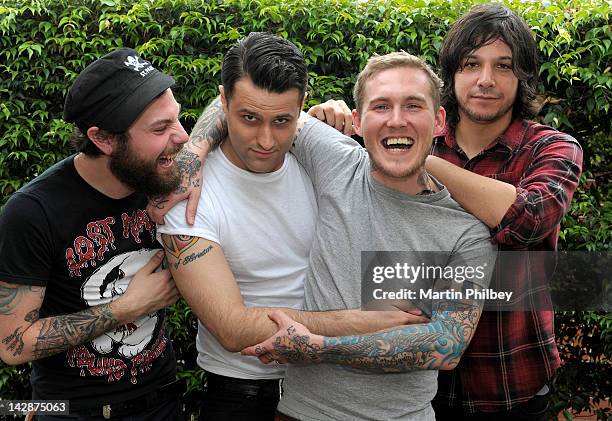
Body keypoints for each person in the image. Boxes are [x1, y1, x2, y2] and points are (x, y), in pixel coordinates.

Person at [156, 33, 426, 421]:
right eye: (248, 118)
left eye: (281, 121)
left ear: (300, 109)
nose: (266, 140)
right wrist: (364, 322)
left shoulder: (317, 156)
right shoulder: (187, 195)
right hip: (245, 395)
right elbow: (231, 328)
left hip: (333, 388)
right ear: (224, 101)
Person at [235, 51, 498, 420]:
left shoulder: (467, 233)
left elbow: (447, 344)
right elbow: (236, 101)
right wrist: (193, 156)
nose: (396, 120)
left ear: (439, 120)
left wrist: (320, 346)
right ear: (357, 121)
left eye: (412, 106)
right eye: (380, 106)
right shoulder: (336, 160)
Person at [0, 48, 189, 420]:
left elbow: (230, 107)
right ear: (103, 139)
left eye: (177, 119)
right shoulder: (33, 213)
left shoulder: (160, 176)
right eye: (160, 128)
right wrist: (126, 308)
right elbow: (12, 344)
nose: (181, 136)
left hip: (163, 404)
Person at [422, 4, 583, 420]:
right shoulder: (421, 140)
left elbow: (527, 221)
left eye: (504, 66)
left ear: (523, 76)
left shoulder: (552, 148)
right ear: (452, 73)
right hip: (415, 386)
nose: (485, 80)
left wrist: (426, 162)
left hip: (512, 386)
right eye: (471, 63)